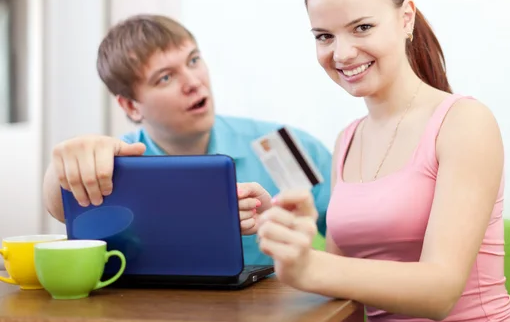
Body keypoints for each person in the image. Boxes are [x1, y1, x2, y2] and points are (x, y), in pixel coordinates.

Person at [254, 0, 510, 321]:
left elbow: (440, 292)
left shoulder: (465, 122)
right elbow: (346, 287)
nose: (342, 53)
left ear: (406, 17)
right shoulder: (347, 140)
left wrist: (309, 266)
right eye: (324, 36)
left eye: (361, 27)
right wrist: (279, 225)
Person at [42, 14, 332, 266]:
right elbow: (63, 210)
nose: (194, 82)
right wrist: (61, 168)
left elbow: (344, 240)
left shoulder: (280, 146)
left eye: (193, 60)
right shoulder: (113, 168)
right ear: (131, 106)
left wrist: (290, 231)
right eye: (165, 78)